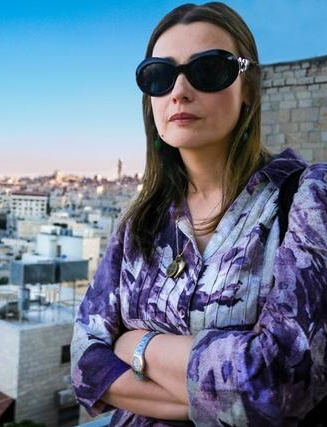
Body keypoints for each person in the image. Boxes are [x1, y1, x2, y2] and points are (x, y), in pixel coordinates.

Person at [70, 2, 327, 426]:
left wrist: (138, 346)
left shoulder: (308, 198)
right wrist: (223, 399)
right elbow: (85, 363)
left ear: (248, 89)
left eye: (208, 69)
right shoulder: (142, 220)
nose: (179, 91)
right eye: (159, 75)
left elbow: (279, 385)